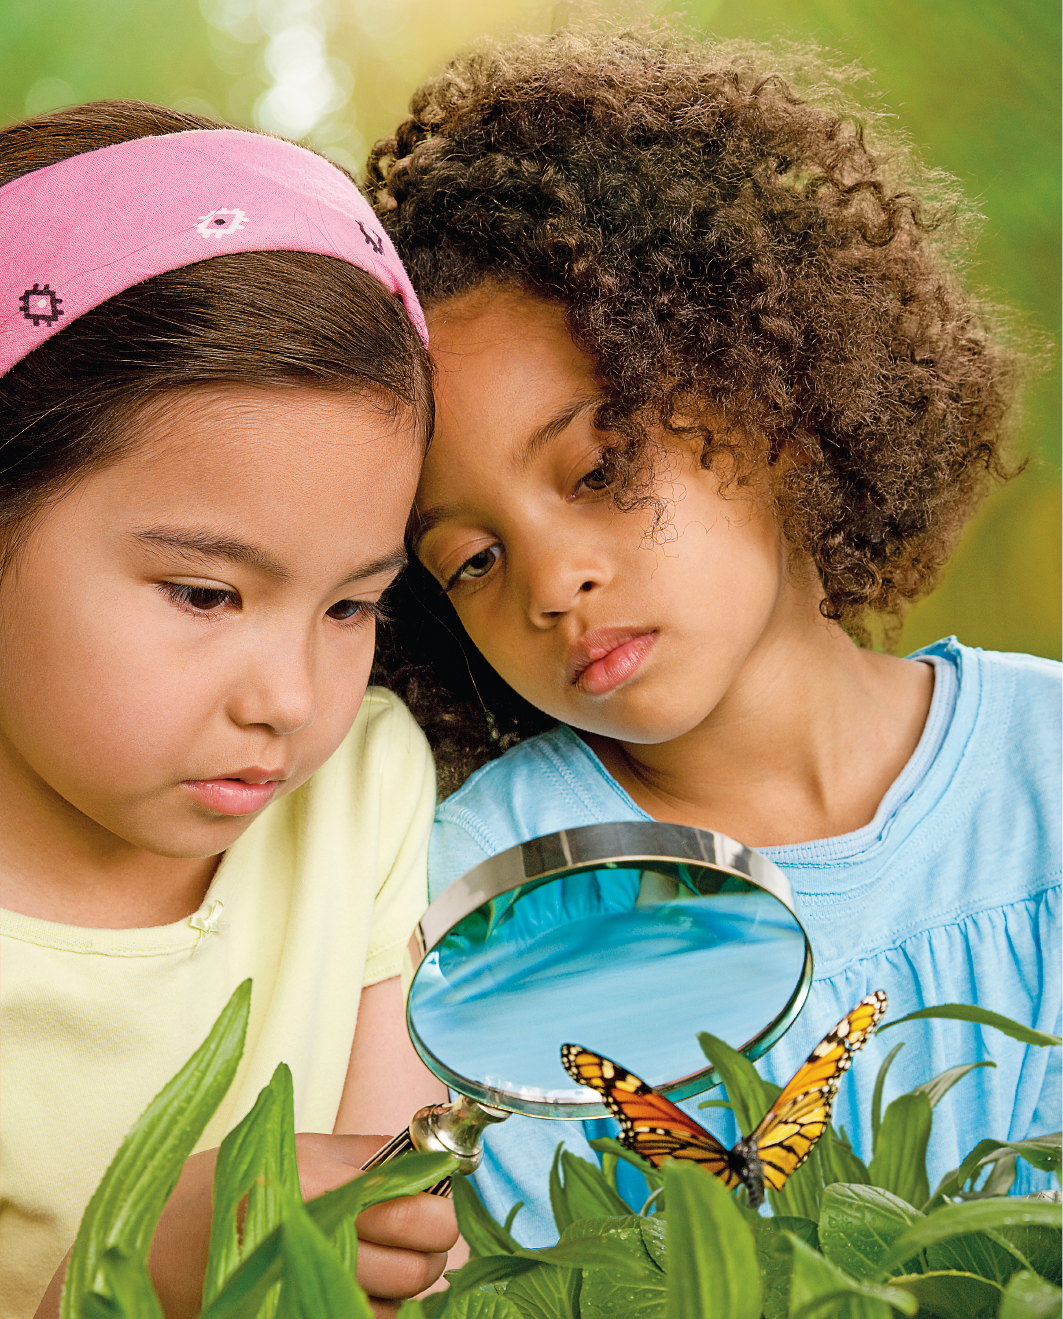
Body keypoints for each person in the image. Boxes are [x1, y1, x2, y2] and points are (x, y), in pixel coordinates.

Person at [366, 24, 1062, 1243]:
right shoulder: (483, 884)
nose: (553, 579)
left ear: (769, 388)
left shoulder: (1046, 758)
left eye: (596, 467)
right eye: (470, 560)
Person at [0, 103, 458, 1318]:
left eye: (353, 606)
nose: (290, 701)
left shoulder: (364, 790)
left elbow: (387, 1239)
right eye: (206, 592)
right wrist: (140, 1261)